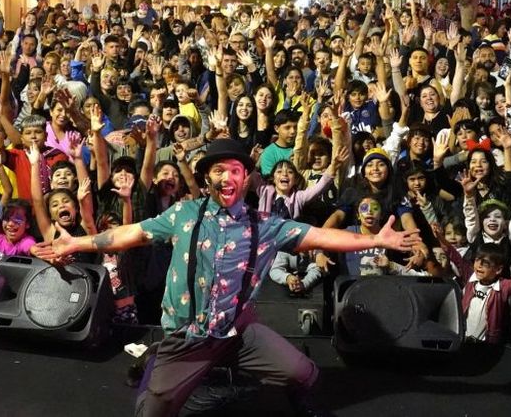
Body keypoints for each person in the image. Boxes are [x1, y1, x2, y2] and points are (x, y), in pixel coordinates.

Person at [33, 138, 419, 417]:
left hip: (240, 331)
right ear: (207, 178)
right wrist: (76, 243)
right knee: (155, 410)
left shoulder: (265, 224)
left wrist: (374, 239)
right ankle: (156, 362)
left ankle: (296, 396)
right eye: (219, 170)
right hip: (189, 336)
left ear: (246, 178)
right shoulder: (183, 214)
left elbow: (320, 236)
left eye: (235, 169)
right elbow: (130, 233)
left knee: (305, 372)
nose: (227, 176)